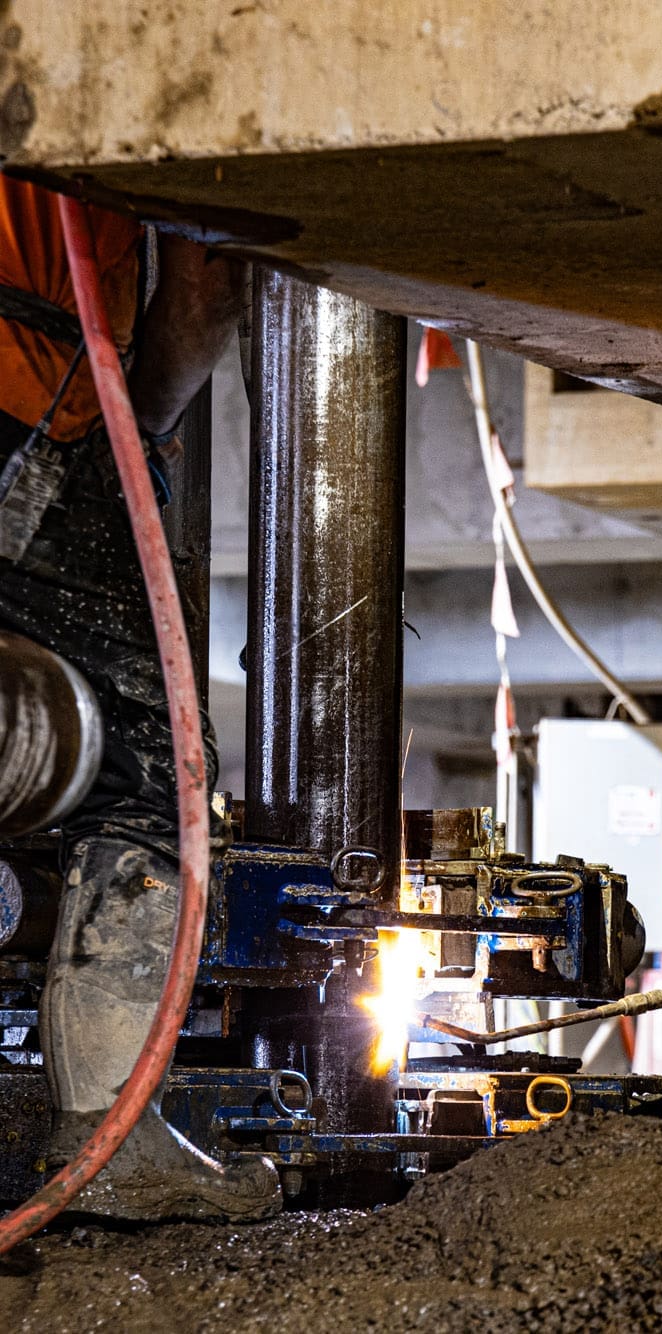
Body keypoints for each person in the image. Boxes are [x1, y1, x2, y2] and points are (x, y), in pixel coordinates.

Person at [0, 178, 281, 1220]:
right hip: (24, 404)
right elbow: (206, 281)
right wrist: (138, 434)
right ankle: (105, 1136)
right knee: (147, 766)